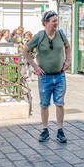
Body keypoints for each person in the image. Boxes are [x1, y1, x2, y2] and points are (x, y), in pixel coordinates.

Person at [25, 11, 72, 143]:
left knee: (59, 103)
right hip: (44, 77)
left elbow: (68, 47)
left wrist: (67, 61)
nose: (56, 23)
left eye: (57, 20)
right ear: (45, 22)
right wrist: (35, 67)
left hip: (59, 76)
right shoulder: (39, 36)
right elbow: (25, 50)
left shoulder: (61, 35)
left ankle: (60, 131)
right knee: (44, 105)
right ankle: (45, 130)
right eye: (53, 21)